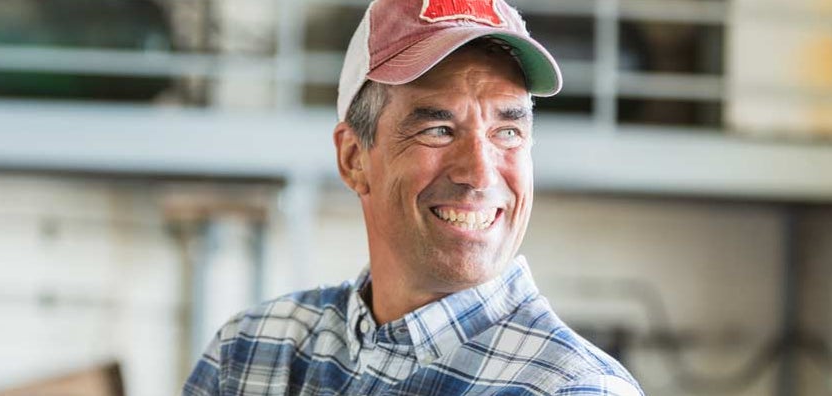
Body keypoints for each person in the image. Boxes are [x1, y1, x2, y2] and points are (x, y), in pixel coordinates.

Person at [184, 0, 643, 394]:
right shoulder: (252, 353)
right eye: (438, 130)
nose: (480, 174)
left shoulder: (571, 388)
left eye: (507, 132)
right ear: (353, 158)